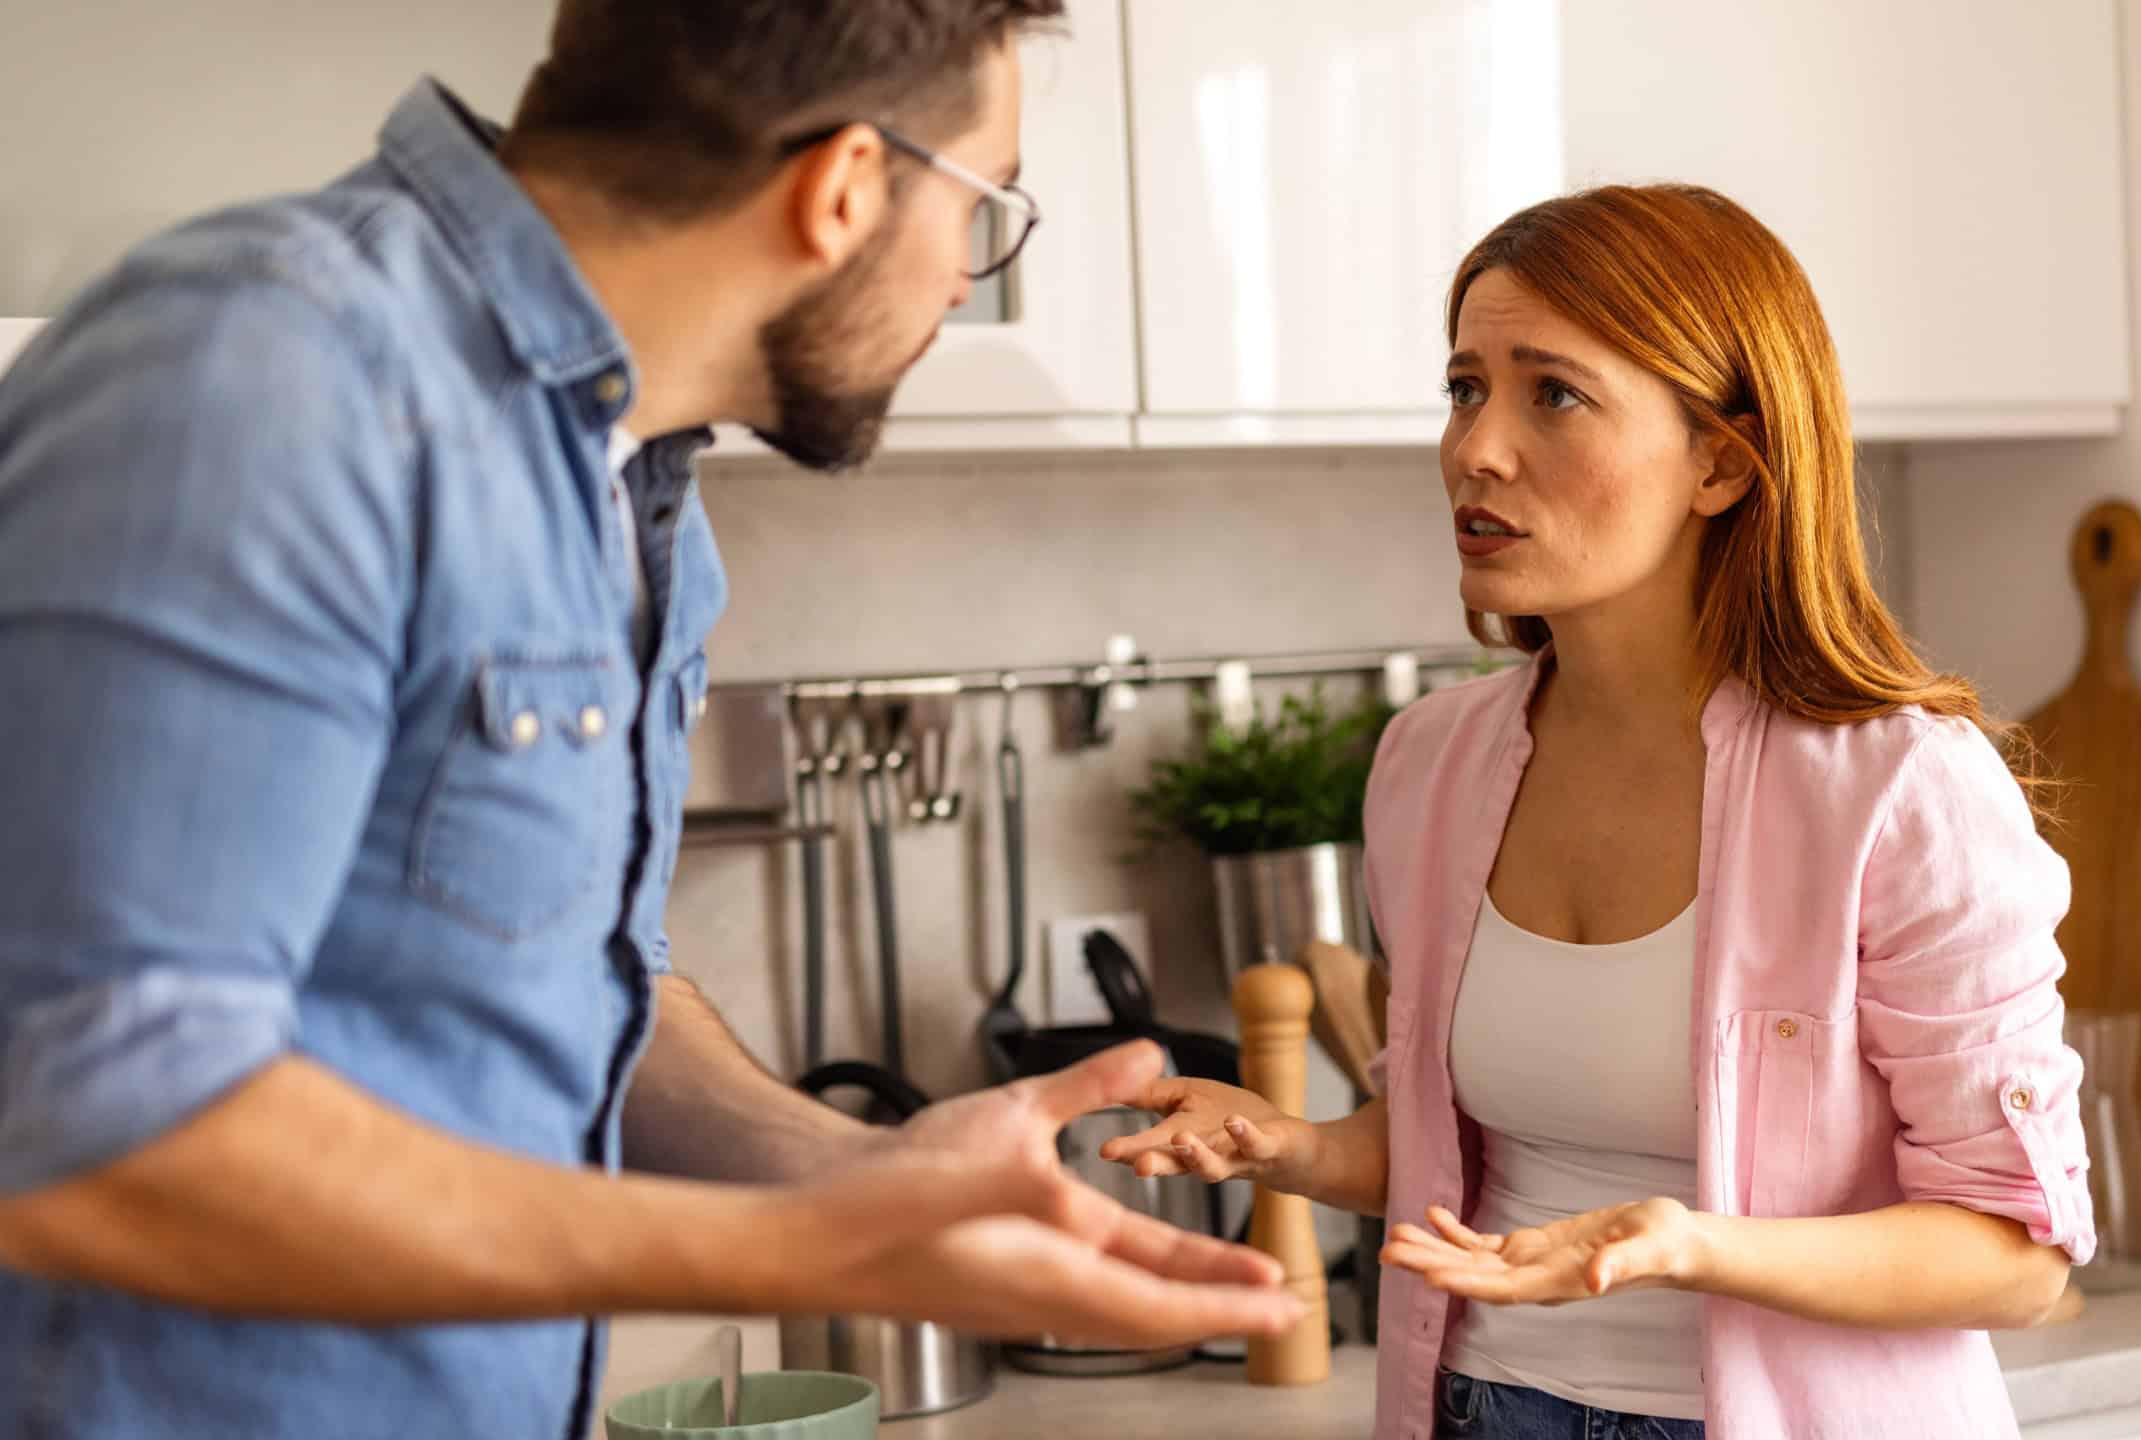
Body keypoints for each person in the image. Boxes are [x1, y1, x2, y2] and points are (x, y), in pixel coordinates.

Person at [0, 3, 1297, 1436]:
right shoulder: (271, 373)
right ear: (844, 188)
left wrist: (866, 1174)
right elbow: (87, 1124)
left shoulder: (634, 503)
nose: (956, 283)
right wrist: (798, 1254)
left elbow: (583, 980)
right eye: (984, 207)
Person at [1103, 185, 2095, 1440]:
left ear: (1722, 464)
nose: (1476, 448)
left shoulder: (1899, 790)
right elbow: (1454, 1157)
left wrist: (1691, 1246)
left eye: (1551, 394)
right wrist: (1284, 1147)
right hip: (1476, 1412)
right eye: (1464, 387)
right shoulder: (1430, 767)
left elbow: (2014, 1256)